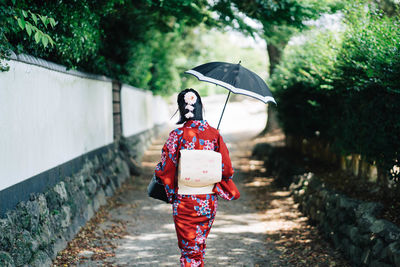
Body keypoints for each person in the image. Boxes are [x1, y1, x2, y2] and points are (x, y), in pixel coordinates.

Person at [154, 88, 240, 267]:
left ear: (181, 109)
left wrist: (170, 191)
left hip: (184, 201)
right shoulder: (214, 135)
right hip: (207, 200)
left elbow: (165, 170)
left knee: (188, 249)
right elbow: (227, 170)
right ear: (201, 107)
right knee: (198, 245)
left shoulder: (176, 136)